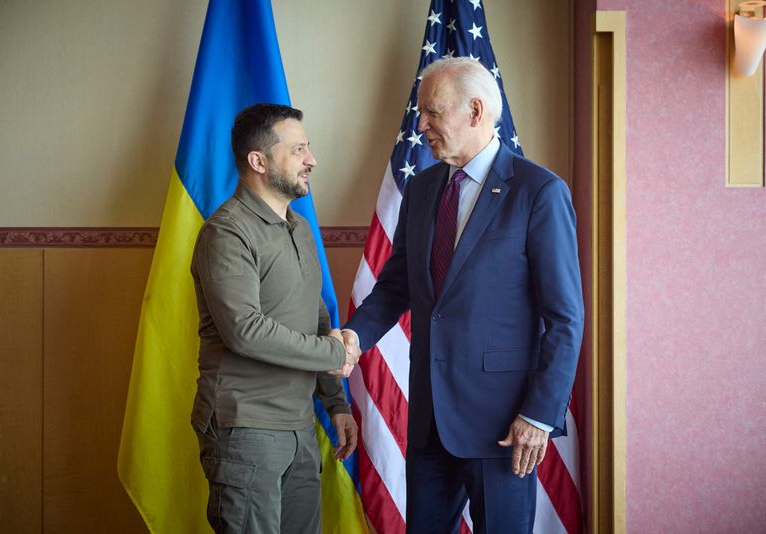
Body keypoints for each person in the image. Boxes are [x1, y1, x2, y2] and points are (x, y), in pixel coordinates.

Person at [343, 58, 584, 533]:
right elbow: (396, 286)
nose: (422, 125)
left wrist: (538, 414)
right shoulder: (422, 188)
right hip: (431, 423)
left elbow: (565, 318)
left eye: (432, 112)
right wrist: (353, 337)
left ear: (475, 111)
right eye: (421, 114)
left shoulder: (539, 192)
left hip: (505, 427)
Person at [190, 103, 358, 534]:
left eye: (309, 147)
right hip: (246, 430)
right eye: (298, 149)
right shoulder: (226, 232)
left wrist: (336, 402)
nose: (312, 159)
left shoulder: (299, 228)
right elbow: (245, 331)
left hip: (300, 426)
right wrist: (333, 352)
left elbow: (314, 318)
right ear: (258, 161)